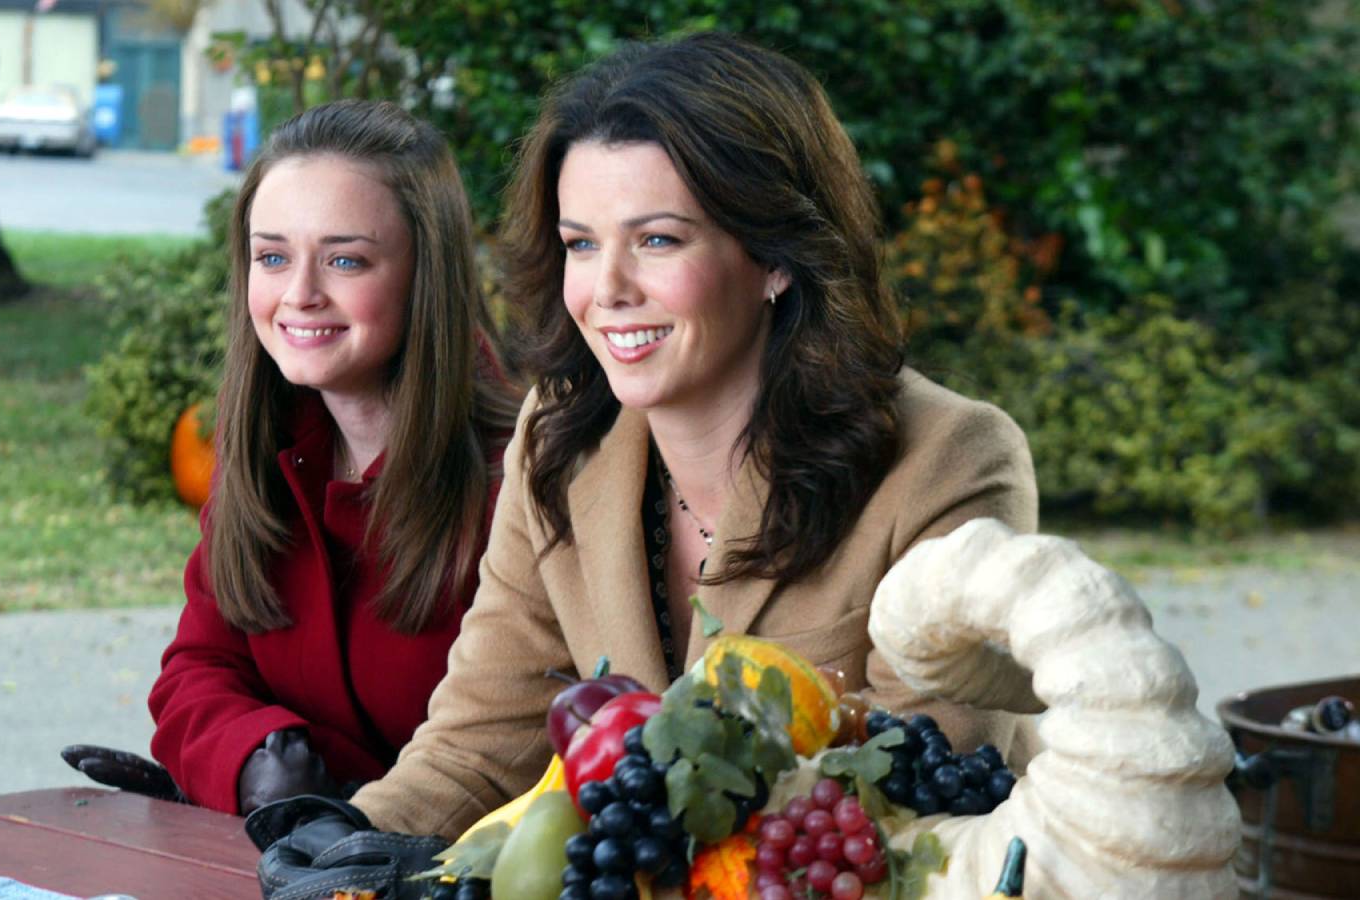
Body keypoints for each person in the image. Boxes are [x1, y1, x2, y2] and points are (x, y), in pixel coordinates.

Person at [253, 32, 1044, 893]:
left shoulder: (950, 462)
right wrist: (352, 838)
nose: (608, 289)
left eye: (658, 241)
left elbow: (904, 811)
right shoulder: (559, 440)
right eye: (581, 245)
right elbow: (484, 734)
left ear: (776, 256)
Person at [63, 99, 522, 816]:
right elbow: (198, 670)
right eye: (272, 257)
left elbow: (506, 745)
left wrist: (325, 796)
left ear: (425, 274)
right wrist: (254, 759)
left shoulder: (520, 476)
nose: (300, 295)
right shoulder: (267, 452)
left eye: (345, 260)